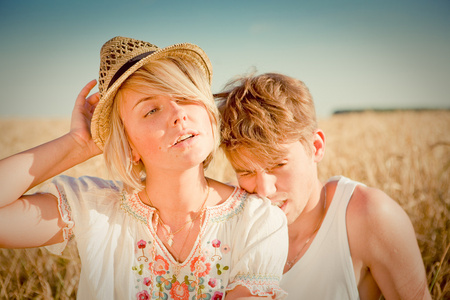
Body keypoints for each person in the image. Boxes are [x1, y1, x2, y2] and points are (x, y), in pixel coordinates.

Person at [0, 37, 288, 299]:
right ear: (129, 143)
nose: (178, 114)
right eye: (151, 110)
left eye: (185, 96)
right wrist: (79, 144)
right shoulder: (95, 210)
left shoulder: (258, 220)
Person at [216, 72, 431, 299]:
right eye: (246, 171)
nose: (264, 190)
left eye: (278, 164)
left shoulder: (370, 216)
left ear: (316, 147)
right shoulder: (227, 215)